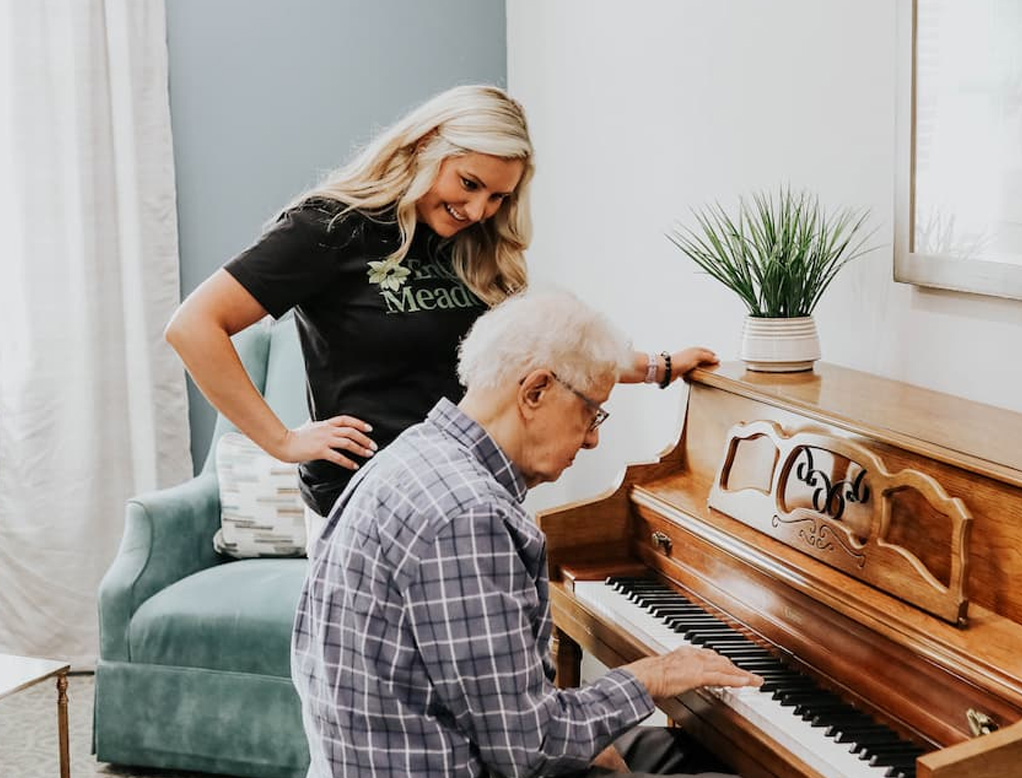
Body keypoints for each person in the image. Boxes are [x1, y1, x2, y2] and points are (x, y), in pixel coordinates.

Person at [292, 289, 813, 778]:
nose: (593, 439)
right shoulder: (466, 514)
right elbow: (529, 745)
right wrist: (650, 678)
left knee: (697, 759)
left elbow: (505, 715)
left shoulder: (417, 455)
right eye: (592, 412)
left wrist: (594, 737)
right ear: (535, 392)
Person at [165, 83, 717, 520]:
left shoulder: (475, 245)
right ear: (426, 145)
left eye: (498, 196)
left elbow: (540, 353)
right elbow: (194, 326)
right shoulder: (331, 228)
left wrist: (657, 368)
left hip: (461, 491)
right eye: (469, 183)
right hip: (366, 497)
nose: (479, 210)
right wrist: (282, 441)